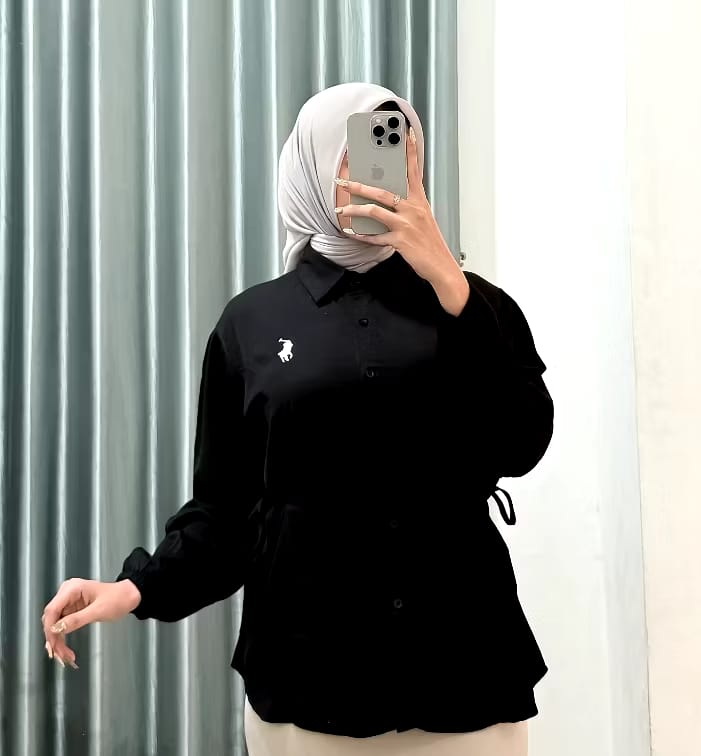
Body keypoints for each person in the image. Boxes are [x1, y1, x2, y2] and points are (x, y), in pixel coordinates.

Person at [41, 82, 554, 756]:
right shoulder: (252, 323)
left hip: (465, 675)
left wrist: (453, 290)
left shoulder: (476, 306)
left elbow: (522, 443)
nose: (373, 170)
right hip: (309, 678)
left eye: (393, 148)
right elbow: (227, 510)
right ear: (311, 165)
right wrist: (137, 588)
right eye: (355, 150)